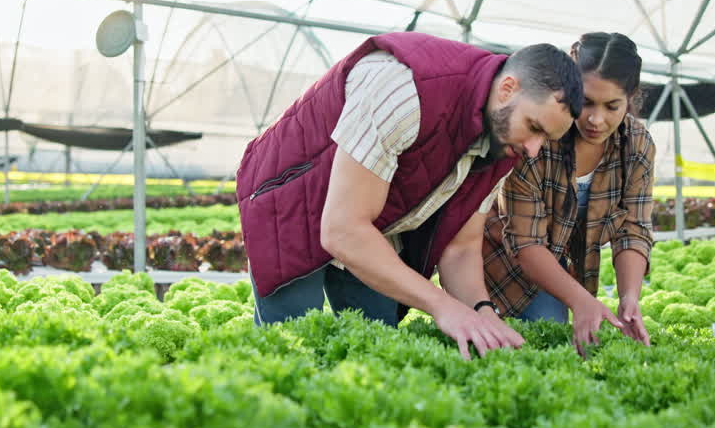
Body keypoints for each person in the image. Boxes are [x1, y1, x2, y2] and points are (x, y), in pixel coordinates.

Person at [237, 32, 584, 359]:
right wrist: (442, 306)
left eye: (546, 139)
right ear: (508, 88)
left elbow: (461, 247)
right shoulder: (406, 90)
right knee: (289, 346)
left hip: (370, 219)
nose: (534, 149)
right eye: (535, 127)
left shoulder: (505, 141)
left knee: (378, 346)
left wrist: (482, 312)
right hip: (292, 200)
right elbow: (342, 230)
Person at [482, 32, 656, 353]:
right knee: (535, 340)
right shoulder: (540, 135)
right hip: (503, 261)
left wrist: (629, 298)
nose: (595, 119)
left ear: (630, 99)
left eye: (612, 106)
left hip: (564, 265)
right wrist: (581, 300)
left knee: (564, 346)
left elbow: (633, 230)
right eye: (586, 102)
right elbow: (525, 241)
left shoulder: (636, 145)